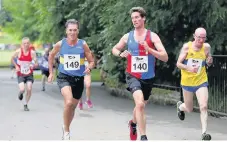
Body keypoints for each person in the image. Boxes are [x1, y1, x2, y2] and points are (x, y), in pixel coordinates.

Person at [112, 7, 168, 141]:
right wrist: (120, 53)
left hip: (148, 77)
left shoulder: (152, 36)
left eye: (137, 17)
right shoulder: (128, 36)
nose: (135, 20)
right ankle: (143, 137)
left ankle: (133, 123)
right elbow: (114, 48)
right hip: (132, 75)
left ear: (143, 18)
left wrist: (150, 50)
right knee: (140, 104)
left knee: (140, 104)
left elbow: (165, 57)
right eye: (133, 18)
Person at [48, 19, 95, 140]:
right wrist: (51, 72)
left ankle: (65, 126)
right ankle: (67, 131)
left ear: (78, 31)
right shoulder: (60, 44)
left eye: (74, 30)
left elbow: (91, 61)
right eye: (70, 30)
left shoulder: (83, 44)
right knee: (68, 102)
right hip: (64, 77)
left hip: (78, 79)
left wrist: (89, 67)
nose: (72, 33)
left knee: (72, 107)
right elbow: (51, 55)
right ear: (66, 31)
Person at [176, 27, 213, 140]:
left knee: (204, 106)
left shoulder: (206, 47)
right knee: (189, 108)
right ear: (194, 36)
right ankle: (180, 107)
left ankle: (204, 133)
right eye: (199, 38)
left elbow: (208, 60)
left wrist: (209, 61)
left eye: (203, 38)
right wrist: (189, 68)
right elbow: (178, 63)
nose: (201, 40)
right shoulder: (187, 47)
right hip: (187, 82)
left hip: (201, 80)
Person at [11, 37, 38, 111]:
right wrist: (16, 66)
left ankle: (25, 104)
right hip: (20, 73)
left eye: (27, 43)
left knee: (29, 89)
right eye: (24, 43)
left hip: (29, 73)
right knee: (22, 89)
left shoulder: (32, 52)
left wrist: (34, 64)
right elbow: (12, 58)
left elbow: (36, 63)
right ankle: (20, 93)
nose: (26, 45)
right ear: (22, 44)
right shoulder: (18, 51)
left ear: (29, 44)